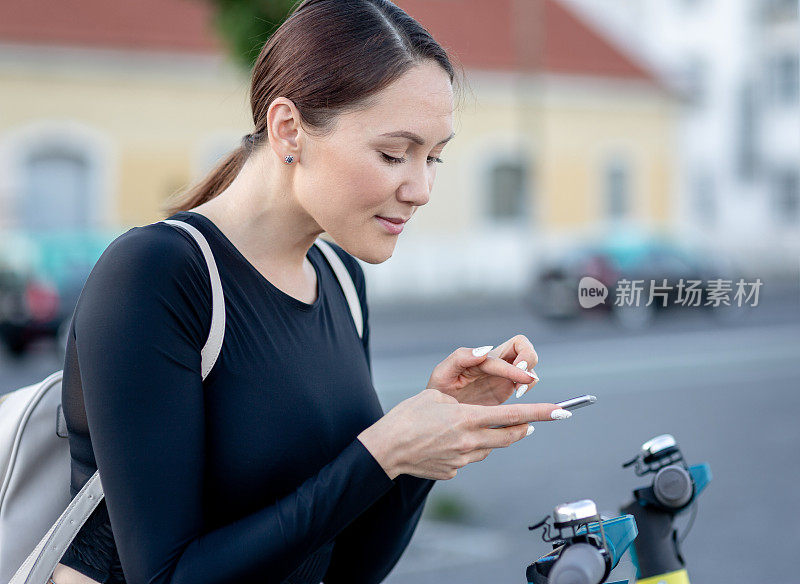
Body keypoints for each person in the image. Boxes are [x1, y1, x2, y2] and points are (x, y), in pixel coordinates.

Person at [52, 1, 571, 583]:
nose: (421, 188)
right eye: (394, 153)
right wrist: (381, 453)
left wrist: (424, 446)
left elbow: (349, 568)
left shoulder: (342, 281)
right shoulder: (157, 275)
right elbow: (166, 575)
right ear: (288, 129)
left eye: (435, 157)